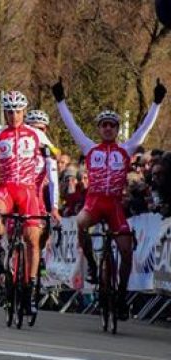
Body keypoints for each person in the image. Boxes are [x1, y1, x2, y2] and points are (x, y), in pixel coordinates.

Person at [52, 77, 166, 320]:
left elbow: (144, 128)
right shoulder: (89, 148)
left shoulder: (126, 149)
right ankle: (92, 265)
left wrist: (156, 103)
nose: (107, 129)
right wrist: (60, 101)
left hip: (114, 205)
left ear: (116, 129)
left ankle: (122, 296)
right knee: (80, 223)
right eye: (103, 125)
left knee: (126, 250)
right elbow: (72, 127)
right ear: (99, 128)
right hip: (94, 203)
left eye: (112, 126)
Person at [0, 89, 57, 314]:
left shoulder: (36, 133)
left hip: (28, 191)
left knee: (32, 241)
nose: (13, 116)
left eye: (17, 111)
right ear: (4, 113)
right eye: (9, 112)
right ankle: (2, 251)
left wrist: (49, 151)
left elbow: (54, 152)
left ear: (23, 112)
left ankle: (30, 285)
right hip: (6, 187)